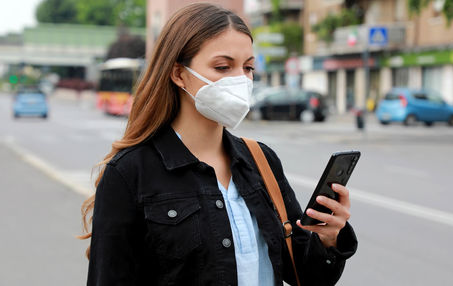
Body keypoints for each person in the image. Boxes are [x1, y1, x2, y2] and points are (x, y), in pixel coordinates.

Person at [79, 3, 357, 285]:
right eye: (223, 67)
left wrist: (329, 237)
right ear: (178, 73)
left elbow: (306, 274)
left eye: (248, 67)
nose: (240, 80)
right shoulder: (129, 173)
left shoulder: (261, 160)